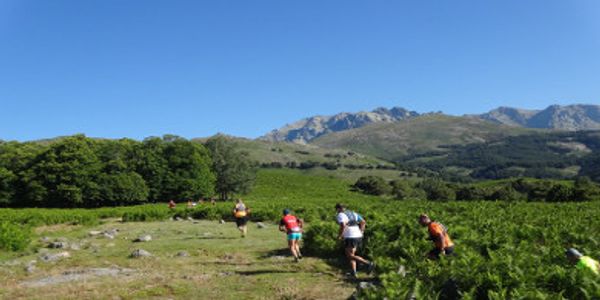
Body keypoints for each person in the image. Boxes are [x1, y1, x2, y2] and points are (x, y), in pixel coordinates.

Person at [335, 203, 375, 278]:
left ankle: (368, 263)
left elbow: (343, 225)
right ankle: (354, 273)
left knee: (350, 255)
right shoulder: (353, 213)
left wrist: (340, 235)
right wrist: (361, 232)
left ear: (338, 209)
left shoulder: (340, 215)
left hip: (350, 236)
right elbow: (363, 222)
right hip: (358, 235)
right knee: (351, 254)